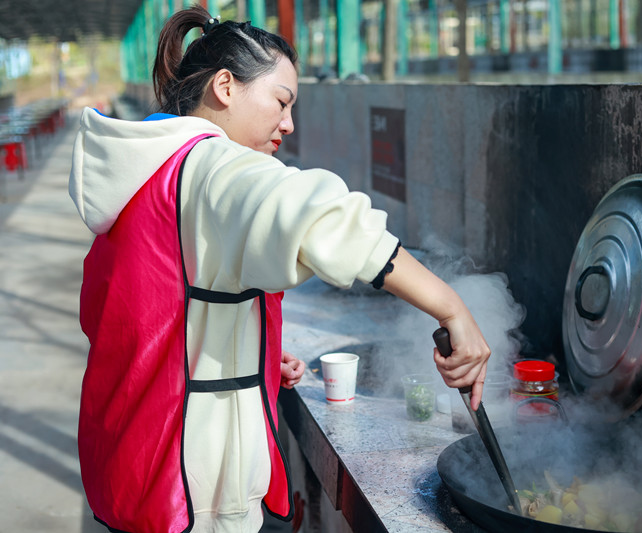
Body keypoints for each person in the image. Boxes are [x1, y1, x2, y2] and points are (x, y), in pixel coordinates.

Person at [69, 6, 490, 533]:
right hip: (189, 492)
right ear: (225, 86)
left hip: (127, 464)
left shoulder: (149, 170)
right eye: (281, 101)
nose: (288, 125)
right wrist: (454, 309)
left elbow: (161, 306)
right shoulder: (210, 166)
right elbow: (325, 219)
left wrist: (252, 346)